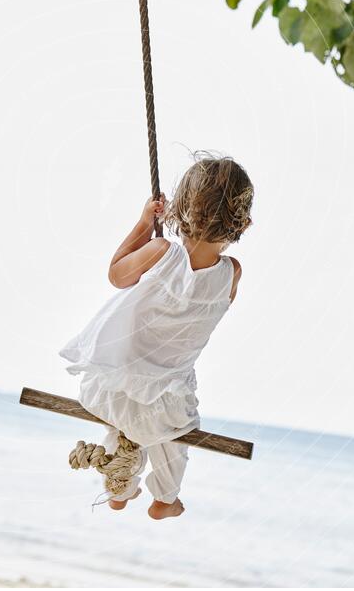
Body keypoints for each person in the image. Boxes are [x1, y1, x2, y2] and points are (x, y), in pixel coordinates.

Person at [60, 152, 253, 519]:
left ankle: (120, 489)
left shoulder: (160, 252)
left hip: (111, 392)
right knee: (172, 438)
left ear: (177, 208)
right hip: (167, 405)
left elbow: (117, 276)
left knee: (125, 426)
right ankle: (165, 498)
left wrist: (143, 224)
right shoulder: (233, 274)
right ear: (243, 223)